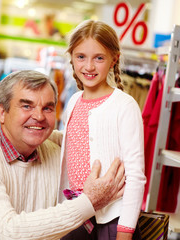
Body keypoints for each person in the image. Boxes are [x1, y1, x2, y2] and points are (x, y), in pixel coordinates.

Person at [0, 70, 125, 239]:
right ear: (1, 112)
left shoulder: (53, 152)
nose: (38, 116)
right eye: (26, 106)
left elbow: (77, 141)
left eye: (47, 108)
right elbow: (4, 233)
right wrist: (89, 202)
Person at [59, 20, 146, 240]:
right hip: (76, 214)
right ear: (71, 57)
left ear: (113, 59)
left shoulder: (124, 106)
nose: (89, 66)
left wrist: (125, 232)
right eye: (81, 57)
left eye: (99, 58)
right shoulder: (73, 101)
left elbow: (136, 176)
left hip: (112, 222)